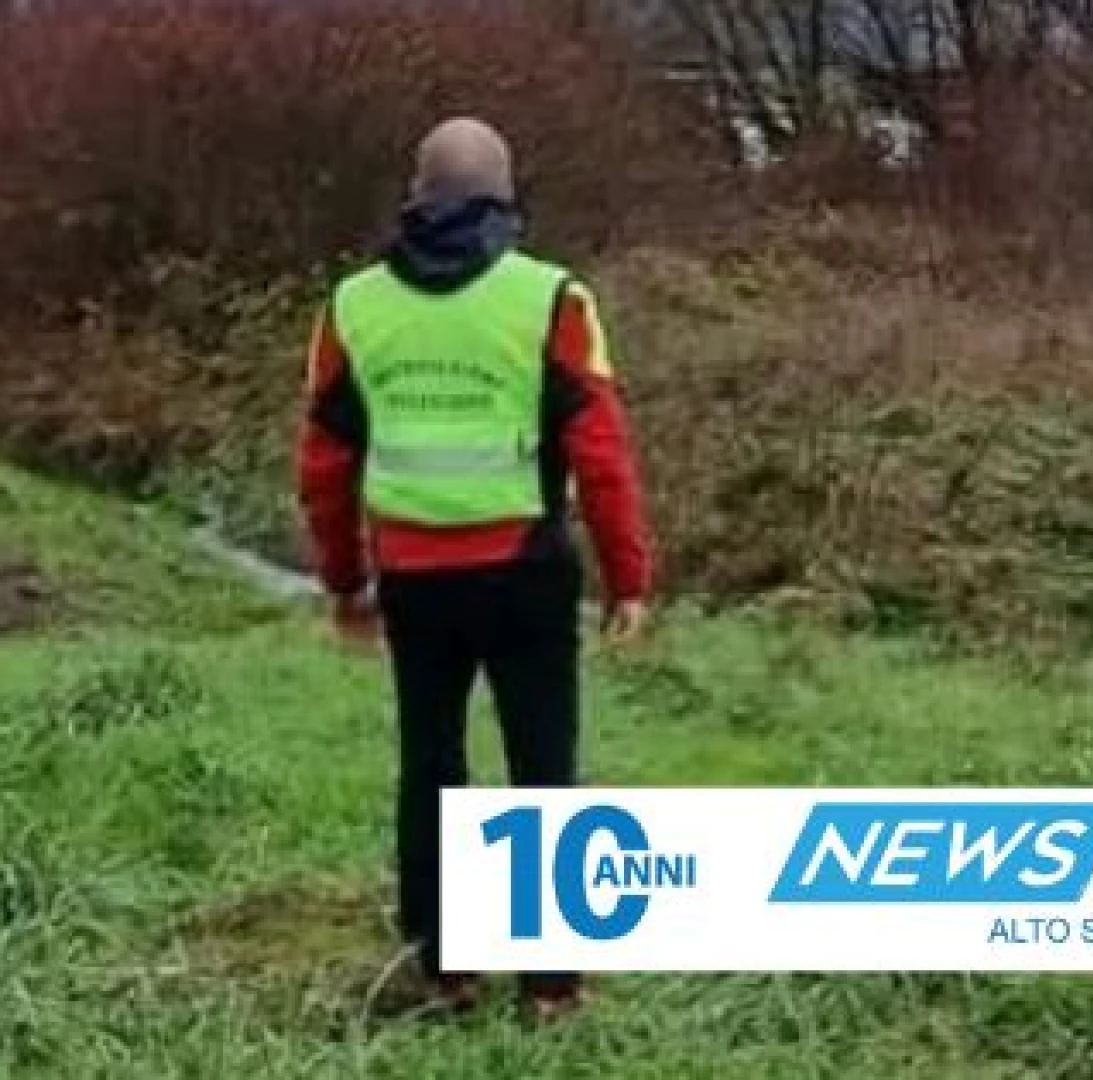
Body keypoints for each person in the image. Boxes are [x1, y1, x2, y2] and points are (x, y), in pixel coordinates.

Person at [296, 116, 656, 1021]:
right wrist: (629, 581)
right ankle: (551, 987)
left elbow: (324, 466)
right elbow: (603, 457)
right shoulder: (553, 300)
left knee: (432, 766)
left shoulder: (352, 307)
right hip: (528, 574)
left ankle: (445, 969)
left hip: (414, 579)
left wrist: (343, 583)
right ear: (506, 200)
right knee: (543, 765)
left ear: (416, 195)